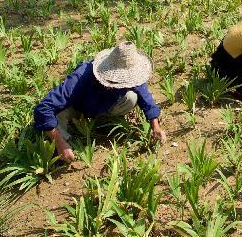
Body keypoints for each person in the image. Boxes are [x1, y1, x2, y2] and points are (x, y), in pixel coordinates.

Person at [34, 42, 166, 162]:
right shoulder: (81, 77)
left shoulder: (132, 71)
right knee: (57, 115)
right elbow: (43, 108)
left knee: (131, 97)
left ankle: (104, 121)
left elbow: (145, 97)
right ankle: (64, 148)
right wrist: (59, 142)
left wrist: (155, 125)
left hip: (105, 105)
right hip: (78, 108)